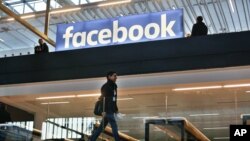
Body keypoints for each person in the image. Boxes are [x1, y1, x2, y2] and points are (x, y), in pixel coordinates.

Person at [90, 71, 120, 141]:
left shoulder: (114, 86)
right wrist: (102, 111)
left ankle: (92, 139)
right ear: (109, 77)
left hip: (111, 110)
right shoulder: (105, 87)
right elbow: (102, 100)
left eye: (116, 76)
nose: (116, 77)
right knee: (114, 126)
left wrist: (116, 109)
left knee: (101, 128)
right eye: (114, 76)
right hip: (107, 111)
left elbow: (114, 100)